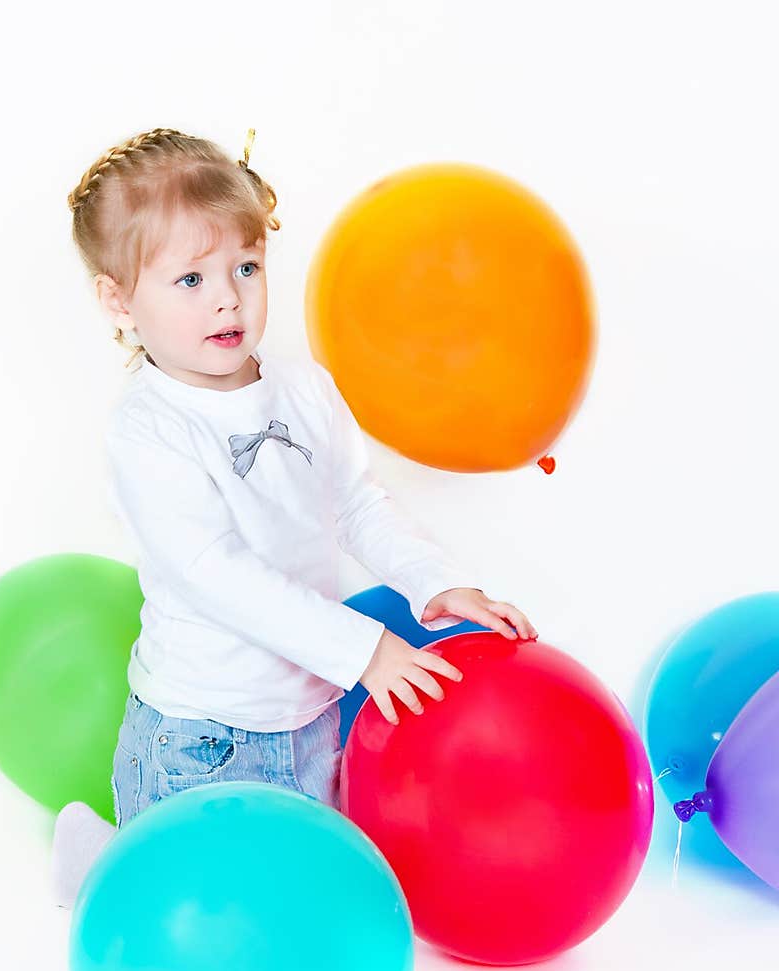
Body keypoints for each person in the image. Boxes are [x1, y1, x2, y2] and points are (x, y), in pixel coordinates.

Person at [51, 125, 537, 907]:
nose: (227, 296)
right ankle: (97, 864)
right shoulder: (149, 430)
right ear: (118, 299)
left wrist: (435, 584)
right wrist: (365, 648)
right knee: (186, 906)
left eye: (246, 266)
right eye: (190, 279)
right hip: (200, 734)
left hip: (310, 714)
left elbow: (358, 504)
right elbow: (218, 577)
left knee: (293, 899)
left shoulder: (304, 390)